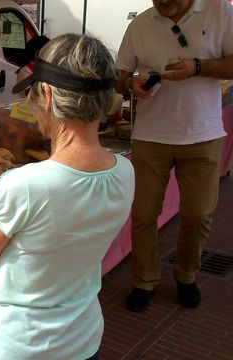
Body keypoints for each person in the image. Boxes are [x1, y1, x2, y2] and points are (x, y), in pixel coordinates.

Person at [0, 34, 135, 360]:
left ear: (46, 95)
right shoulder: (125, 172)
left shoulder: (22, 185)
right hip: (83, 339)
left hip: (19, 346)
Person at [116, 0, 233, 312]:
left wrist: (198, 66)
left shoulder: (220, 12)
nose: (163, 1)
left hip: (203, 136)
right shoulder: (140, 24)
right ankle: (144, 280)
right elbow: (120, 75)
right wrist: (130, 83)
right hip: (150, 137)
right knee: (143, 216)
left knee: (198, 214)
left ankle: (186, 274)